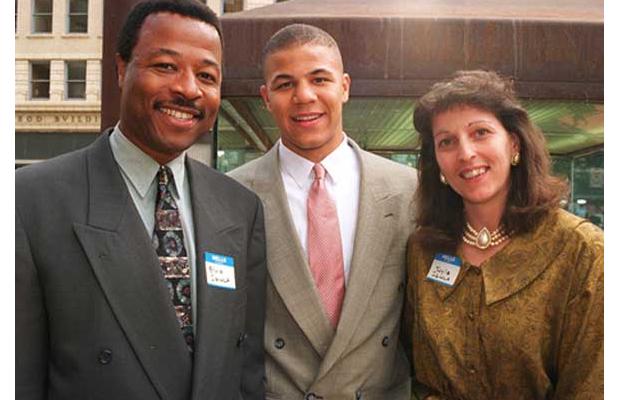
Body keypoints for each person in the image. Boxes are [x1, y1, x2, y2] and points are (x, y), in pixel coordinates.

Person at [16, 1, 266, 399]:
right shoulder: (29, 200)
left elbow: (246, 367)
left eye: (206, 75)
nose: (188, 89)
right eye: (166, 66)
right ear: (121, 68)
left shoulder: (240, 207)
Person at [229, 24, 417, 399]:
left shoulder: (409, 190)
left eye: (319, 79)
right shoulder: (230, 194)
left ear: (344, 87)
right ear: (266, 97)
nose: (304, 96)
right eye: (285, 85)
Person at [407, 70, 603, 399]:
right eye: (447, 142)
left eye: (480, 132)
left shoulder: (583, 251)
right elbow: (417, 375)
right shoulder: (422, 249)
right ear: (437, 162)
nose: (466, 153)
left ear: (514, 143)